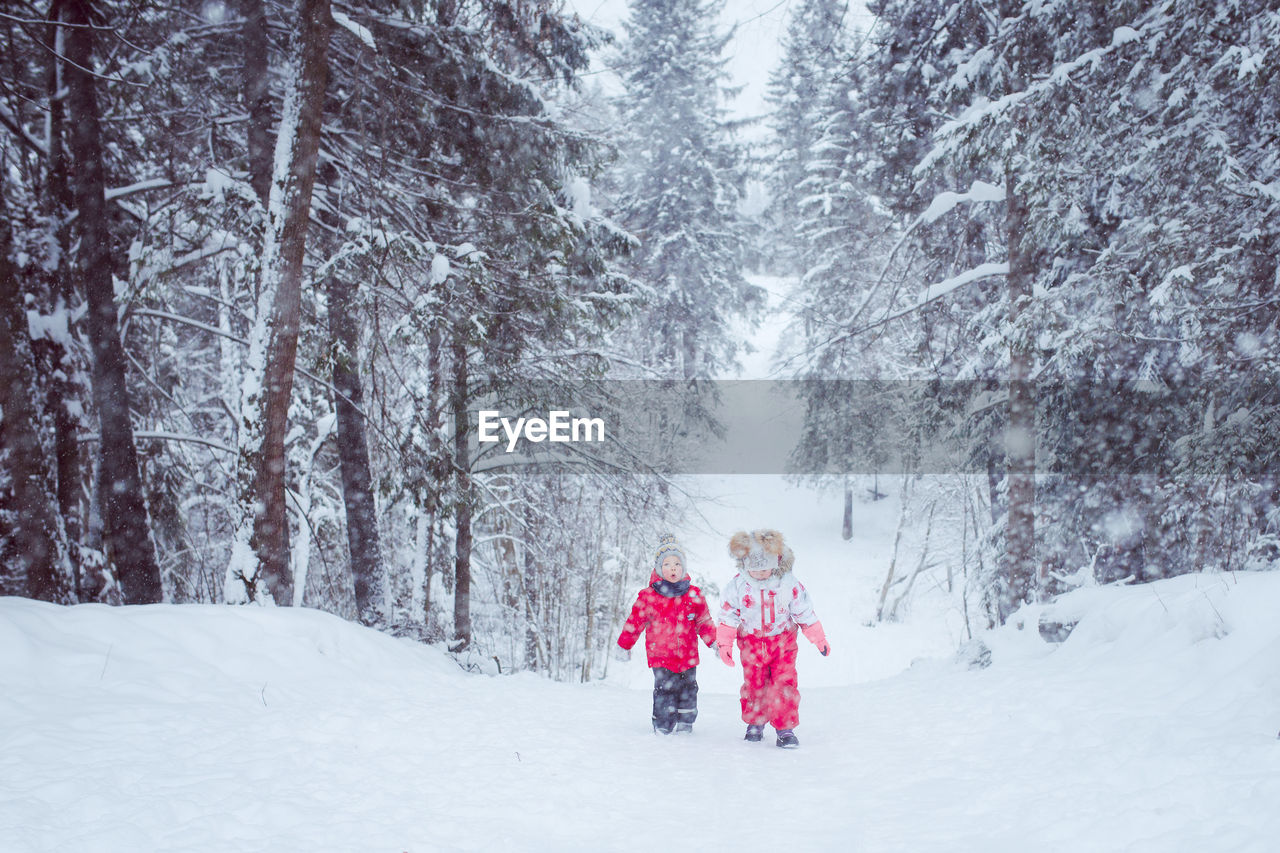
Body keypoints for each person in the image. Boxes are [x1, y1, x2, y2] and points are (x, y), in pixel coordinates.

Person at [715, 529, 830, 749]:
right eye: (754, 568)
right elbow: (728, 615)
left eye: (764, 568)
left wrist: (818, 638)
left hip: (782, 644)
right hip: (751, 644)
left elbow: (804, 612)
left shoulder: (787, 584)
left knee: (783, 685)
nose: (759, 573)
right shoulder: (738, 585)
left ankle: (785, 728)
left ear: (776, 562)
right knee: (754, 685)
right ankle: (756, 723)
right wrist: (724, 643)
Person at [615, 534, 717, 734]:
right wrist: (624, 646)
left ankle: (686, 723)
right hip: (661, 657)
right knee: (664, 692)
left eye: (677, 564)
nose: (673, 568)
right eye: (667, 564)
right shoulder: (649, 597)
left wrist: (715, 642)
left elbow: (704, 622)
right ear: (659, 568)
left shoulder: (693, 595)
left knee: (688, 690)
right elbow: (634, 623)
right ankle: (663, 725)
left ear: (684, 567)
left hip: (687, 657)